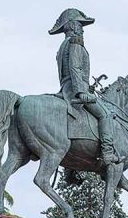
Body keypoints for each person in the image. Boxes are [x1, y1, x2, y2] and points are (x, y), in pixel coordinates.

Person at [49, 8, 119, 164]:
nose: (81, 29)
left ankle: (71, 170)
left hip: (68, 87)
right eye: (80, 25)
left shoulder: (62, 46)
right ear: (72, 26)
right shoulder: (75, 42)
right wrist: (81, 92)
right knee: (106, 115)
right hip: (75, 89)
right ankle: (107, 153)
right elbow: (74, 68)